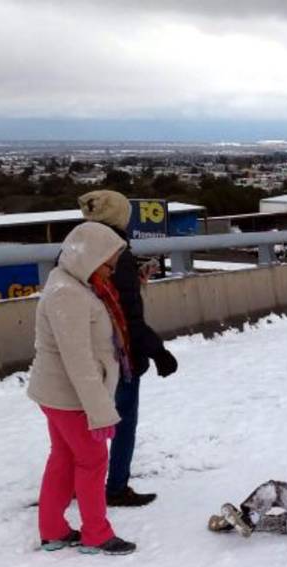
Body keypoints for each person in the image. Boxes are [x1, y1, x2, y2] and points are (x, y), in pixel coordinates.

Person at [28, 222, 137, 556]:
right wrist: (100, 411)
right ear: (89, 258)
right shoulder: (68, 294)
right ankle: (96, 535)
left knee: (63, 457)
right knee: (92, 460)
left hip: (60, 394)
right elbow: (78, 360)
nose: (111, 271)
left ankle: (53, 531)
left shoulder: (71, 284)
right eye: (108, 264)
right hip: (70, 397)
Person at [78, 190, 180, 508]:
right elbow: (128, 317)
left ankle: (76, 483)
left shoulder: (75, 248)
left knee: (83, 423)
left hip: (84, 351)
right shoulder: (116, 254)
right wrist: (158, 351)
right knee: (123, 420)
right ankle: (116, 486)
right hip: (118, 356)